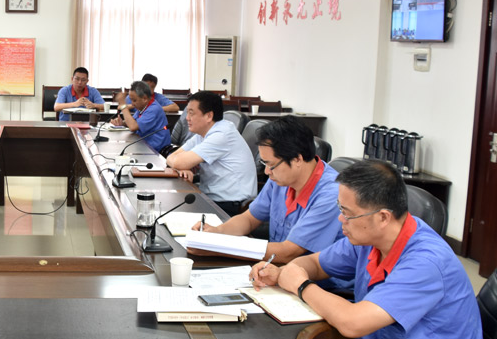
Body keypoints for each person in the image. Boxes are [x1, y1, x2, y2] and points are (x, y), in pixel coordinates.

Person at [252, 160, 486, 339]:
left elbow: (353, 323)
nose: (340, 220)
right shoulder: (369, 239)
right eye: (340, 209)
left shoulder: (426, 262)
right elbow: (315, 263)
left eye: (347, 213)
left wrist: (301, 285)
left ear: (383, 217)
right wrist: (284, 272)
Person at [193, 115, 343, 265]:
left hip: (309, 276)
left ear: (297, 159)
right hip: (272, 267)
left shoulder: (331, 195)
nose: (266, 171)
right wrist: (217, 232)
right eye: (264, 163)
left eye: (271, 165)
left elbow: (288, 252)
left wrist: (217, 248)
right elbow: (249, 219)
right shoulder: (281, 178)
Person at [165, 91, 256, 216]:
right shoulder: (203, 133)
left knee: (171, 210)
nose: (187, 118)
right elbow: (173, 156)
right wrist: (182, 167)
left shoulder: (221, 135)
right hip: (212, 196)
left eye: (191, 113)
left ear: (208, 116)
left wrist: (180, 164)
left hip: (229, 204)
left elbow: (178, 161)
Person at [111, 80, 171, 153]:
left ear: (144, 98)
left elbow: (133, 127)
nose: (132, 104)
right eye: (131, 100)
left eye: (134, 100)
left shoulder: (153, 109)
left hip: (155, 150)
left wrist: (123, 105)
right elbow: (134, 122)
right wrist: (122, 123)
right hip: (143, 145)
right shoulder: (143, 107)